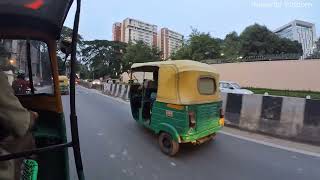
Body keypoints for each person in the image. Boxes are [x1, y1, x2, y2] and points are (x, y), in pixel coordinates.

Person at [0, 70, 38, 180]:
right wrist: (31, 117)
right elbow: (21, 124)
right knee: (27, 136)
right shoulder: (25, 83)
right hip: (19, 109)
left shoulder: (15, 82)